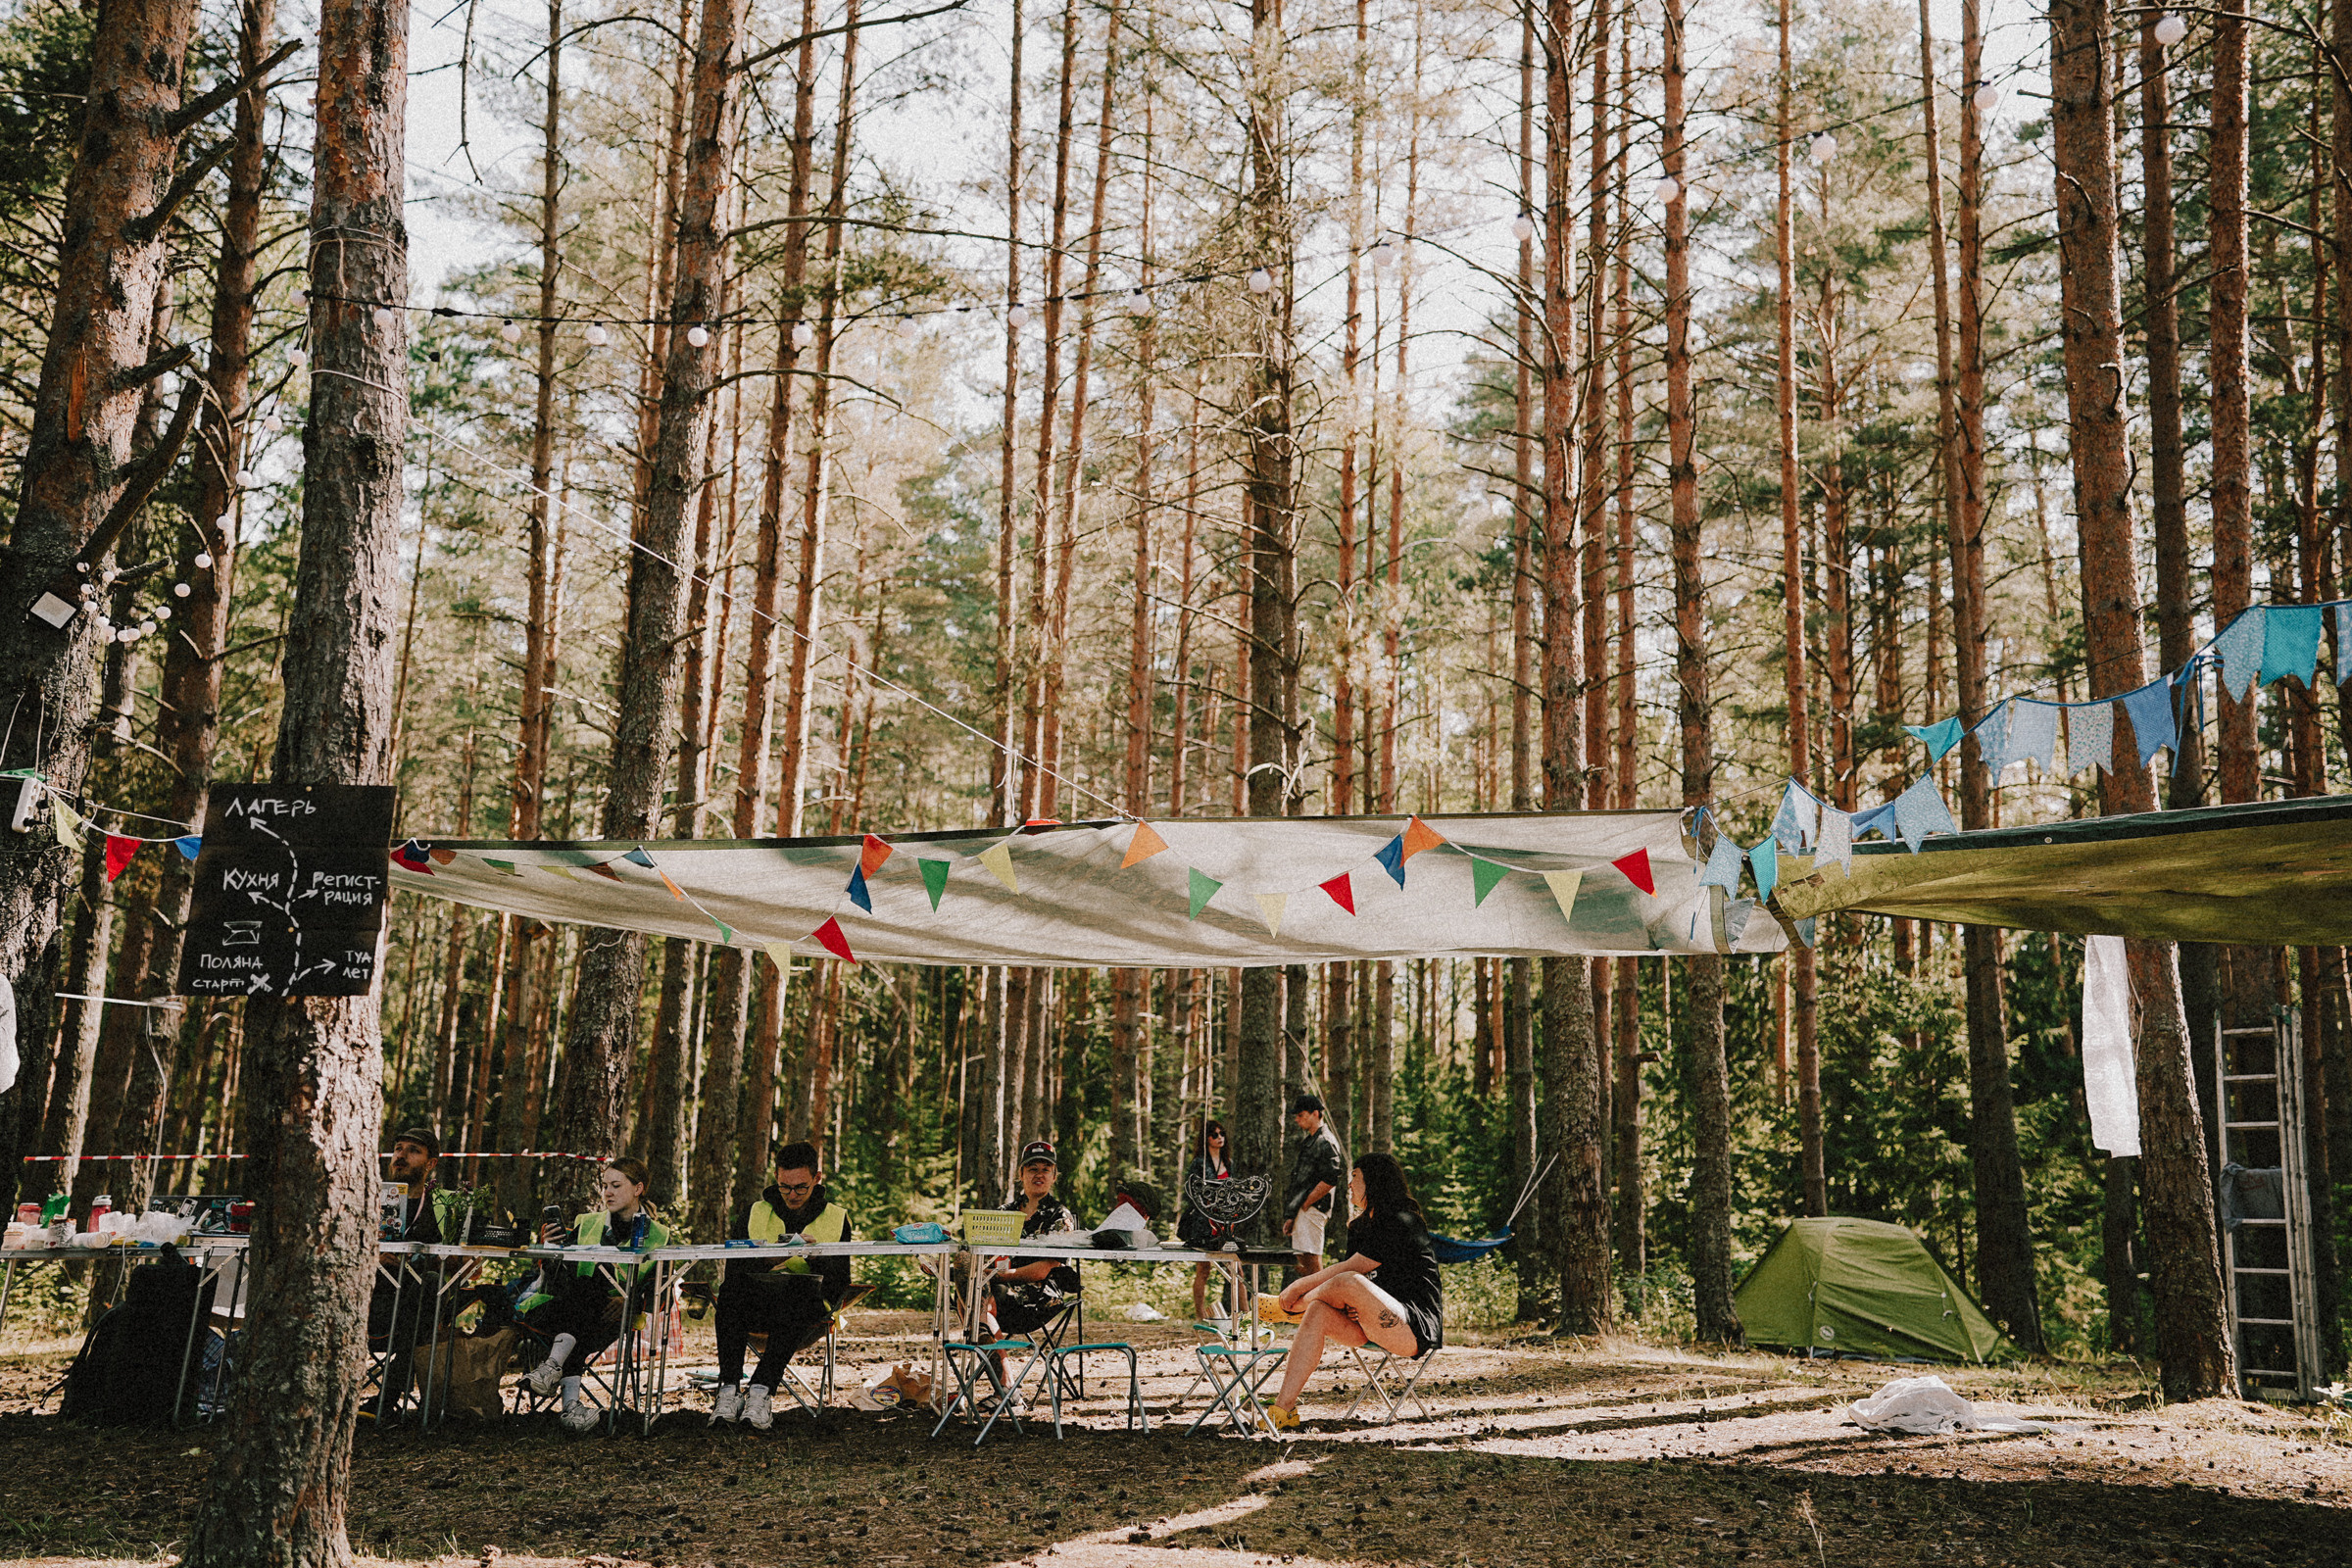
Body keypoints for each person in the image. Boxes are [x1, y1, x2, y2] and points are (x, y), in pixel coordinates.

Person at [1263, 1151, 1443, 1431]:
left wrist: (1298, 1287)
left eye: (1355, 1177)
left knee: (1347, 1280)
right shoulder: (1359, 1226)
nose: (1349, 1184)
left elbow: (1351, 1271)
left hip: (1412, 1327)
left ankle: (1287, 1308)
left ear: (1374, 1180)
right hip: (1368, 1323)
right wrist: (1349, 1303)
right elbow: (1351, 1287)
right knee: (1318, 1310)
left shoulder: (1403, 1220)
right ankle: (1282, 1411)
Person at [520, 1157, 671, 1433]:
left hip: (613, 1318)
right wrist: (551, 1248)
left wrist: (631, 1301)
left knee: (584, 1296)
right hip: (572, 1310)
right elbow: (558, 1279)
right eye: (604, 1186)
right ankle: (570, 1406)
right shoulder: (587, 1223)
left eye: (616, 1185)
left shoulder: (660, 1235)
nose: (607, 1193)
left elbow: (663, 1294)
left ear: (638, 1189)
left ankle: (553, 1369)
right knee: (584, 1290)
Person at [711, 1141, 851, 1430]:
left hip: (806, 1311)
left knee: (798, 1291)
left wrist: (815, 1258)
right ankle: (728, 1390)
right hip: (757, 1303)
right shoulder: (755, 1212)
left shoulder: (837, 1217)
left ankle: (760, 1391)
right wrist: (768, 1259)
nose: (792, 1195)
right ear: (776, 1177)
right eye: (785, 1187)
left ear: (817, 1178)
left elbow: (840, 1282)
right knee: (730, 1292)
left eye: (801, 1187)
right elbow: (734, 1270)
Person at [985, 1140, 1082, 1339]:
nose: (1039, 1174)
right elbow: (987, 1255)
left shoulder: (1060, 1216)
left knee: (978, 1297)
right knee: (969, 1292)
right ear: (1021, 1174)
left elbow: (1044, 1269)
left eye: (1046, 1169)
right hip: (997, 1290)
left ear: (1054, 1176)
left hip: (1038, 1299)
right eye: (1032, 1169)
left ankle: (992, 1354)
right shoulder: (1004, 1213)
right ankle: (997, 1354)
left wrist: (995, 1276)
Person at [1178, 1117, 1235, 1323]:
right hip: (1204, 1223)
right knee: (1203, 1269)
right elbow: (1193, 1192)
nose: (1219, 1138)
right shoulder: (1199, 1163)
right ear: (1207, 1138)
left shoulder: (1229, 1163)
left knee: (1236, 1268)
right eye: (1214, 1134)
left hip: (1225, 1223)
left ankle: (1244, 1313)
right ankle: (1200, 1315)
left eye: (1222, 1134)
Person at [1282, 1094, 1346, 1276]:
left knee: (1311, 1260)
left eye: (1301, 1115)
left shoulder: (1325, 1141)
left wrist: (1308, 1203)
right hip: (1304, 1208)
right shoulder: (1312, 1140)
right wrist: (1293, 1213)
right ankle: (1312, 1294)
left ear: (1315, 1114)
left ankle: (1324, 1293)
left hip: (1314, 1207)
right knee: (1301, 1260)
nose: (1297, 1119)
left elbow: (1331, 1178)